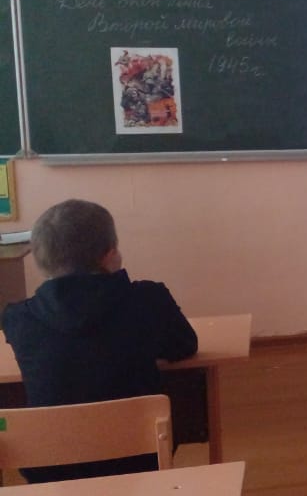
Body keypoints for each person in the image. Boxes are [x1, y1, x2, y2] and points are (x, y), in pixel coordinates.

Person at [2, 199, 198, 484]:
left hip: (50, 469)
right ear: (110, 254)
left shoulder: (18, 318)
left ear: (41, 260)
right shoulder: (148, 299)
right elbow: (184, 345)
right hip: (140, 460)